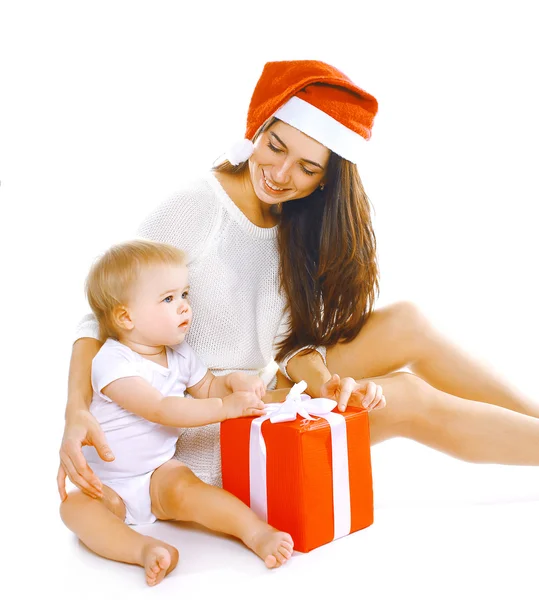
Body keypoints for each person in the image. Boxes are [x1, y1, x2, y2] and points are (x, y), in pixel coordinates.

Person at [59, 59, 539, 528]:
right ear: (259, 128)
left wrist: (326, 381)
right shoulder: (197, 207)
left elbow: (289, 346)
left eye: (306, 168)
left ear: (325, 180)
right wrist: (76, 411)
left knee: (406, 323)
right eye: (275, 146)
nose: (281, 173)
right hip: (204, 428)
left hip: (254, 392)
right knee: (407, 397)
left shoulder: (292, 224)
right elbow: (98, 314)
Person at [59, 239, 294, 586]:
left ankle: (256, 532)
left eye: (185, 295)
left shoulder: (179, 353)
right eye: (169, 299)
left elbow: (208, 387)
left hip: (157, 473)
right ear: (126, 316)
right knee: (74, 509)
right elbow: (160, 409)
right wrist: (224, 409)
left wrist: (233, 383)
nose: (184, 307)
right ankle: (142, 549)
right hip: (107, 485)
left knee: (190, 490)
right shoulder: (111, 362)